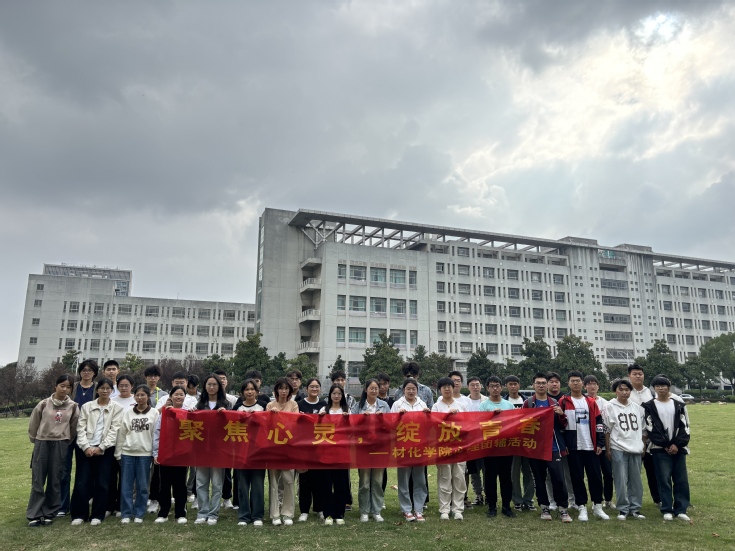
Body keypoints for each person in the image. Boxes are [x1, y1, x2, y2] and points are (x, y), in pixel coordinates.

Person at [27, 374, 80, 527]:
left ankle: (49, 512)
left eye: (68, 387)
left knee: (55, 479)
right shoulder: (44, 404)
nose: (64, 389)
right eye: (62, 385)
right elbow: (34, 423)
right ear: (55, 386)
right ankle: (35, 514)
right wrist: (36, 439)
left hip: (60, 444)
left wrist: (65, 440)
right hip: (42, 442)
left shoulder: (73, 406)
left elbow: (73, 427)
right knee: (38, 479)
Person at [71, 378, 124, 525]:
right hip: (85, 448)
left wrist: (101, 447)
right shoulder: (87, 406)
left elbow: (115, 430)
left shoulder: (117, 408)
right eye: (102, 388)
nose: (105, 391)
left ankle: (97, 515)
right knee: (82, 481)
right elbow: (80, 428)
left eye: (108, 388)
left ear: (112, 391)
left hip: (105, 450)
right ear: (97, 389)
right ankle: (79, 514)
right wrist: (86, 447)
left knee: (102, 482)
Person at [558, 371, 609, 521]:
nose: (575, 383)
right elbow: (561, 425)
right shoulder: (564, 401)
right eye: (572, 381)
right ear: (568, 383)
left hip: (591, 446)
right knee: (577, 478)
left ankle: (598, 506)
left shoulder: (591, 402)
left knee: (596, 477)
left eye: (578, 380)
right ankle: (581, 507)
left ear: (582, 383)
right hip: (574, 447)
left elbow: (599, 423)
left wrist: (599, 442)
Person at [523, 373, 572, 523]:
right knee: (539, 479)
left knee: (558, 478)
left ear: (547, 385)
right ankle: (544, 507)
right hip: (535, 448)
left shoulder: (555, 403)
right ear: (533, 385)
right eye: (538, 383)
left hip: (554, 447)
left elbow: (563, 425)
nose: (541, 385)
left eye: (543, 383)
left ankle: (563, 508)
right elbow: (521, 424)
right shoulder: (528, 403)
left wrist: (561, 414)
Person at [643, 375, 691, 522]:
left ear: (669, 387)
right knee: (663, 479)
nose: (661, 388)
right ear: (654, 389)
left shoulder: (679, 405)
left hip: (678, 448)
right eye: (657, 386)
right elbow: (650, 428)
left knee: (681, 479)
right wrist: (665, 445)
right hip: (659, 449)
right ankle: (667, 509)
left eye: (663, 385)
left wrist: (677, 444)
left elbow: (685, 426)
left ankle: (681, 509)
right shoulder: (649, 406)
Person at [59, 359, 99, 517]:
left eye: (90, 370)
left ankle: (85, 499)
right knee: (64, 470)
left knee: (86, 471)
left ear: (94, 372)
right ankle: (62, 505)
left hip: (89, 435)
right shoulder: (72, 387)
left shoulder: (98, 388)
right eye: (84, 369)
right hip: (68, 432)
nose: (86, 372)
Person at [603, 379, 646, 520]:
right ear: (615, 391)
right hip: (618, 447)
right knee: (620, 480)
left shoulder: (637, 408)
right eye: (621, 389)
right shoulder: (609, 406)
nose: (624, 392)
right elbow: (606, 430)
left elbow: (643, 430)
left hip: (635, 448)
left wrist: (643, 446)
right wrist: (608, 449)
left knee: (636, 480)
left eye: (627, 389)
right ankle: (623, 509)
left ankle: (635, 508)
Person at [115, 384, 159, 524]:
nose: (140, 397)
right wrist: (118, 453)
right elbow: (122, 433)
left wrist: (154, 453)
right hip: (127, 453)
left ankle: (139, 513)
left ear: (148, 396)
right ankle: (126, 513)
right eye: (137, 395)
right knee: (126, 485)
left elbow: (155, 434)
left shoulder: (154, 413)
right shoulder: (128, 413)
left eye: (143, 395)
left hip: (145, 454)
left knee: (142, 486)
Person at [391, 378, 430, 522]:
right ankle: (406, 509)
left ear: (417, 390)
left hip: (419, 447)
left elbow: (428, 426)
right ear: (403, 390)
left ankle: (418, 509)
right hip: (403, 448)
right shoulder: (397, 404)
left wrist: (428, 415)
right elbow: (390, 425)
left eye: (414, 389)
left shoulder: (422, 404)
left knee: (420, 480)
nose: (411, 391)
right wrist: (398, 416)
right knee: (404, 480)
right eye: (408, 389)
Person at [193, 375, 230, 525]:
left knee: (216, 483)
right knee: (201, 482)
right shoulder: (200, 404)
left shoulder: (226, 403)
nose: (212, 387)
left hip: (218, 450)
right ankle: (202, 512)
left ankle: (213, 513)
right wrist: (192, 412)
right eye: (209, 384)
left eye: (215, 384)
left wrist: (225, 414)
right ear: (205, 386)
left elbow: (232, 424)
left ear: (219, 387)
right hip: (202, 449)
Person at [352, 378, 390, 522]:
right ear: (365, 389)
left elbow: (390, 426)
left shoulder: (384, 405)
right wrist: (362, 418)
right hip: (363, 448)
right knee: (365, 481)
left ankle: (377, 510)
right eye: (371, 388)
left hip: (380, 448)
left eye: (376, 388)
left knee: (378, 481)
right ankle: (364, 511)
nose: (374, 391)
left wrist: (382, 420)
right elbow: (351, 425)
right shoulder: (358, 406)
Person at [152, 385, 190, 524]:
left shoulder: (189, 412)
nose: (178, 397)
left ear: (185, 397)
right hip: (166, 453)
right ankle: (164, 512)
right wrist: (156, 453)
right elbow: (157, 433)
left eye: (181, 394)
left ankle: (180, 513)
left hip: (182, 455)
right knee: (165, 484)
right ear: (171, 397)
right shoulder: (165, 413)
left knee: (180, 484)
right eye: (176, 394)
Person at [479, 376, 516, 518]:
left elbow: (514, 423)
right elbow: (479, 425)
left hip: (506, 447)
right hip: (490, 448)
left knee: (506, 477)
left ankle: (506, 506)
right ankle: (492, 506)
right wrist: (492, 416)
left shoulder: (509, 405)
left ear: (502, 387)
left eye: (497, 386)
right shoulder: (483, 406)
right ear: (487, 388)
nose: (495, 388)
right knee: (490, 477)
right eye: (492, 386)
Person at [432, 377, 467, 521]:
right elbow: (433, 425)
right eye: (444, 387)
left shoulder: (461, 405)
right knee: (444, 478)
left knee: (459, 478)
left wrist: (458, 417)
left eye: (449, 386)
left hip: (459, 447)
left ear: (454, 388)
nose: (447, 389)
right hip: (443, 447)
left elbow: (468, 424)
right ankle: (444, 509)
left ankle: (458, 509)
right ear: (440, 389)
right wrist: (446, 417)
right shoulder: (436, 406)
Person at [266, 377, 299, 525]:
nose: (284, 391)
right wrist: (271, 415)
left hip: (288, 448)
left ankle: (287, 513)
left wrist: (280, 415)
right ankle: (275, 514)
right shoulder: (270, 405)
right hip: (273, 448)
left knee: (289, 480)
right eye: (281, 388)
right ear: (276, 390)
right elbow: (266, 425)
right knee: (273, 481)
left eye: (286, 388)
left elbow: (295, 422)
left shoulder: (293, 405)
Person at [318, 384, 351, 525]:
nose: (336, 396)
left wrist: (348, 419)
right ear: (330, 395)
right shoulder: (324, 410)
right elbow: (317, 428)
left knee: (341, 484)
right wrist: (320, 418)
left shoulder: (346, 410)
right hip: (326, 452)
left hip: (342, 452)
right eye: (334, 393)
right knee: (326, 484)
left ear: (342, 396)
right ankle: (328, 514)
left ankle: (339, 513)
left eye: (339, 394)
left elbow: (351, 430)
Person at [235, 380, 266, 527]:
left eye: (252, 389)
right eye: (246, 389)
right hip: (241, 451)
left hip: (259, 451)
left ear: (257, 392)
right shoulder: (237, 407)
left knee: (258, 484)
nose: (249, 392)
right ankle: (244, 516)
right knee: (242, 485)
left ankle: (257, 515)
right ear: (242, 392)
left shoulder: (263, 406)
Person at [628, 363, 659, 505]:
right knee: (633, 472)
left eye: (640, 373)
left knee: (653, 471)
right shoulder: (627, 392)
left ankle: (658, 499)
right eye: (634, 374)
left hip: (651, 439)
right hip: (632, 439)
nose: (638, 376)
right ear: (629, 376)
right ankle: (633, 501)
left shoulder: (651, 393)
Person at [297, 378, 327, 522]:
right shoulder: (300, 404)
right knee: (304, 481)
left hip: (320, 448)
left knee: (320, 480)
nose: (314, 389)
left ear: (320, 389)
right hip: (304, 448)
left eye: (317, 387)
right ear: (306, 389)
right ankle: (304, 510)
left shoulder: (324, 405)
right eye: (311, 387)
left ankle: (320, 508)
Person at [505, 375, 535, 512]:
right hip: (512, 443)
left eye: (515, 384)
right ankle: (517, 500)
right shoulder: (504, 402)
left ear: (519, 385)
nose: (513, 386)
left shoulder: (528, 401)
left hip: (528, 441)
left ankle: (528, 500)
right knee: (514, 474)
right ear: (506, 386)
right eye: (510, 384)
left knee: (529, 472)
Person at [108, 373, 136, 516]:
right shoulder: (112, 400)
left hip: (130, 443)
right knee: (111, 476)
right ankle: (109, 505)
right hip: (112, 441)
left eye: (127, 385)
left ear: (132, 386)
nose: (124, 388)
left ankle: (121, 505)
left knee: (126, 477)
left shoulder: (136, 400)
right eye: (121, 385)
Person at [585, 374, 613, 509]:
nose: (592, 386)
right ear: (585, 386)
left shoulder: (605, 404)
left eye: (594, 383)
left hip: (605, 443)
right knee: (594, 475)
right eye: (589, 384)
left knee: (608, 473)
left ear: (598, 386)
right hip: (591, 443)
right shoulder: (583, 401)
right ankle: (597, 500)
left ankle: (608, 499)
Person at [464, 376, 487, 507]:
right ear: (468, 387)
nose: (475, 387)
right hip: (470, 442)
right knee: (474, 471)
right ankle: (478, 495)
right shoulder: (464, 402)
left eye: (477, 384)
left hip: (485, 441)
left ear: (481, 386)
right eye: (472, 385)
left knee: (486, 470)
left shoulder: (487, 401)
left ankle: (488, 494)